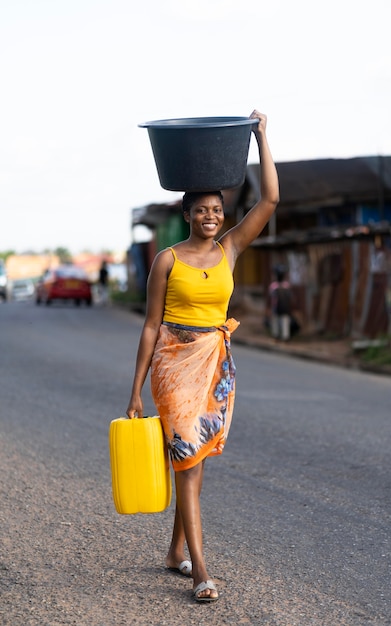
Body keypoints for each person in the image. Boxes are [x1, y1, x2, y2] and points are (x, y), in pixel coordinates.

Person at [126, 110, 279, 603]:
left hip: (214, 363)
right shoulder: (167, 260)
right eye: (202, 210)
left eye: (218, 210)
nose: (212, 216)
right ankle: (200, 574)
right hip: (173, 365)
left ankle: (175, 553)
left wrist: (260, 136)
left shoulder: (230, 248)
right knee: (188, 460)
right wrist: (134, 391)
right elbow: (150, 326)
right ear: (186, 214)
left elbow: (272, 198)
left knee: (194, 460)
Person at [268, 265, 293, 341]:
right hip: (285, 308)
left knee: (275, 321)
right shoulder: (287, 285)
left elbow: (270, 297)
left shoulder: (273, 286)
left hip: (276, 307)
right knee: (285, 321)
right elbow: (290, 297)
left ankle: (276, 336)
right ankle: (285, 336)